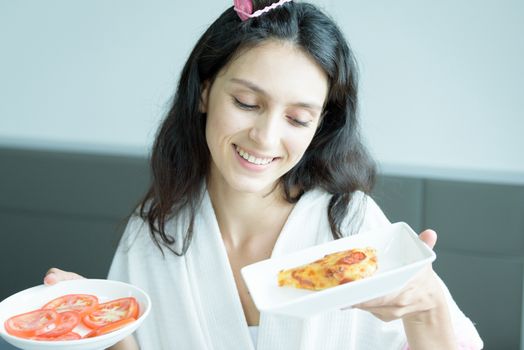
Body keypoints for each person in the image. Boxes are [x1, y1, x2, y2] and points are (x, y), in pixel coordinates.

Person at [44, 0, 483, 349]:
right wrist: (107, 332)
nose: (265, 137)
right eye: (247, 104)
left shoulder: (351, 229)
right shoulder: (155, 230)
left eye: (297, 119)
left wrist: (428, 309)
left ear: (320, 127)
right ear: (204, 92)